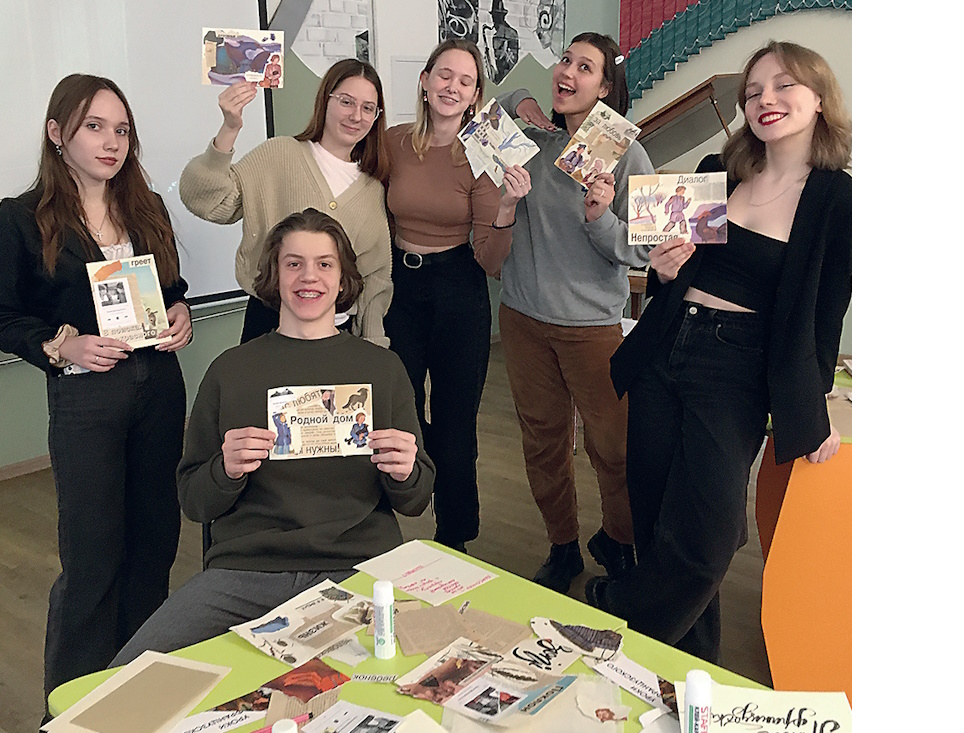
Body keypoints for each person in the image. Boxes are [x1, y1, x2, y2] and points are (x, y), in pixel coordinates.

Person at [587, 42, 852, 664]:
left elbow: (824, 313)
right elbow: (672, 276)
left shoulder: (838, 199)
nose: (766, 100)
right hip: (665, 350)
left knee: (706, 538)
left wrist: (812, 405)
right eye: (753, 91)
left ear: (819, 99)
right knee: (656, 517)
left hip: (736, 367)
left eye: (784, 86)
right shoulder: (718, 171)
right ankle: (687, 667)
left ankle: (615, 614)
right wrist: (662, 268)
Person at [111, 208, 434, 663]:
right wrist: (225, 470)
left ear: (343, 279)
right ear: (274, 276)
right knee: (125, 678)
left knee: (397, 680)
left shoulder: (382, 368)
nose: (309, 276)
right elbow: (195, 502)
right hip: (246, 573)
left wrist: (405, 472)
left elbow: (415, 499)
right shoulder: (231, 370)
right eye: (293, 263)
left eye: (325, 264)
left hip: (360, 568)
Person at [0, 74, 193, 705]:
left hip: (158, 386)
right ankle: (72, 704)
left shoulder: (147, 208)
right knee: (93, 554)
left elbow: (171, 288)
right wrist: (61, 346)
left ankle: (138, 687)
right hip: (86, 397)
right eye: (94, 127)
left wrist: (180, 312)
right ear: (57, 133)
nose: (111, 142)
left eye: (121, 130)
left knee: (154, 544)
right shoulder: (21, 218)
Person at [494, 32, 655, 592]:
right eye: (565, 60)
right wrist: (522, 102)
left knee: (613, 447)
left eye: (585, 67)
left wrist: (600, 217)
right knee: (543, 442)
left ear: (606, 88)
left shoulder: (626, 153)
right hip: (522, 319)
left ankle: (619, 541)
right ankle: (561, 546)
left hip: (592, 328)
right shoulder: (532, 140)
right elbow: (487, 111)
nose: (567, 72)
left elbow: (643, 250)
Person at [384, 39, 531, 552]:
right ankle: (391, 513)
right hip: (398, 289)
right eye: (444, 75)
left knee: (455, 425)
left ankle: (455, 536)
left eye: (465, 81)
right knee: (396, 410)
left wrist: (507, 207)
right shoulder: (392, 142)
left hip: (457, 290)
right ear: (425, 81)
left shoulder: (482, 155)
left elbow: (489, 260)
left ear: (475, 97)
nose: (452, 87)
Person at [181, 58, 392, 347]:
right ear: (325, 100)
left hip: (338, 334)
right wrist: (229, 128)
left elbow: (375, 274)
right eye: (346, 102)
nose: (356, 116)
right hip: (271, 322)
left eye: (368, 108)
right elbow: (207, 201)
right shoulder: (279, 154)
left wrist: (373, 340)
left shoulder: (372, 188)